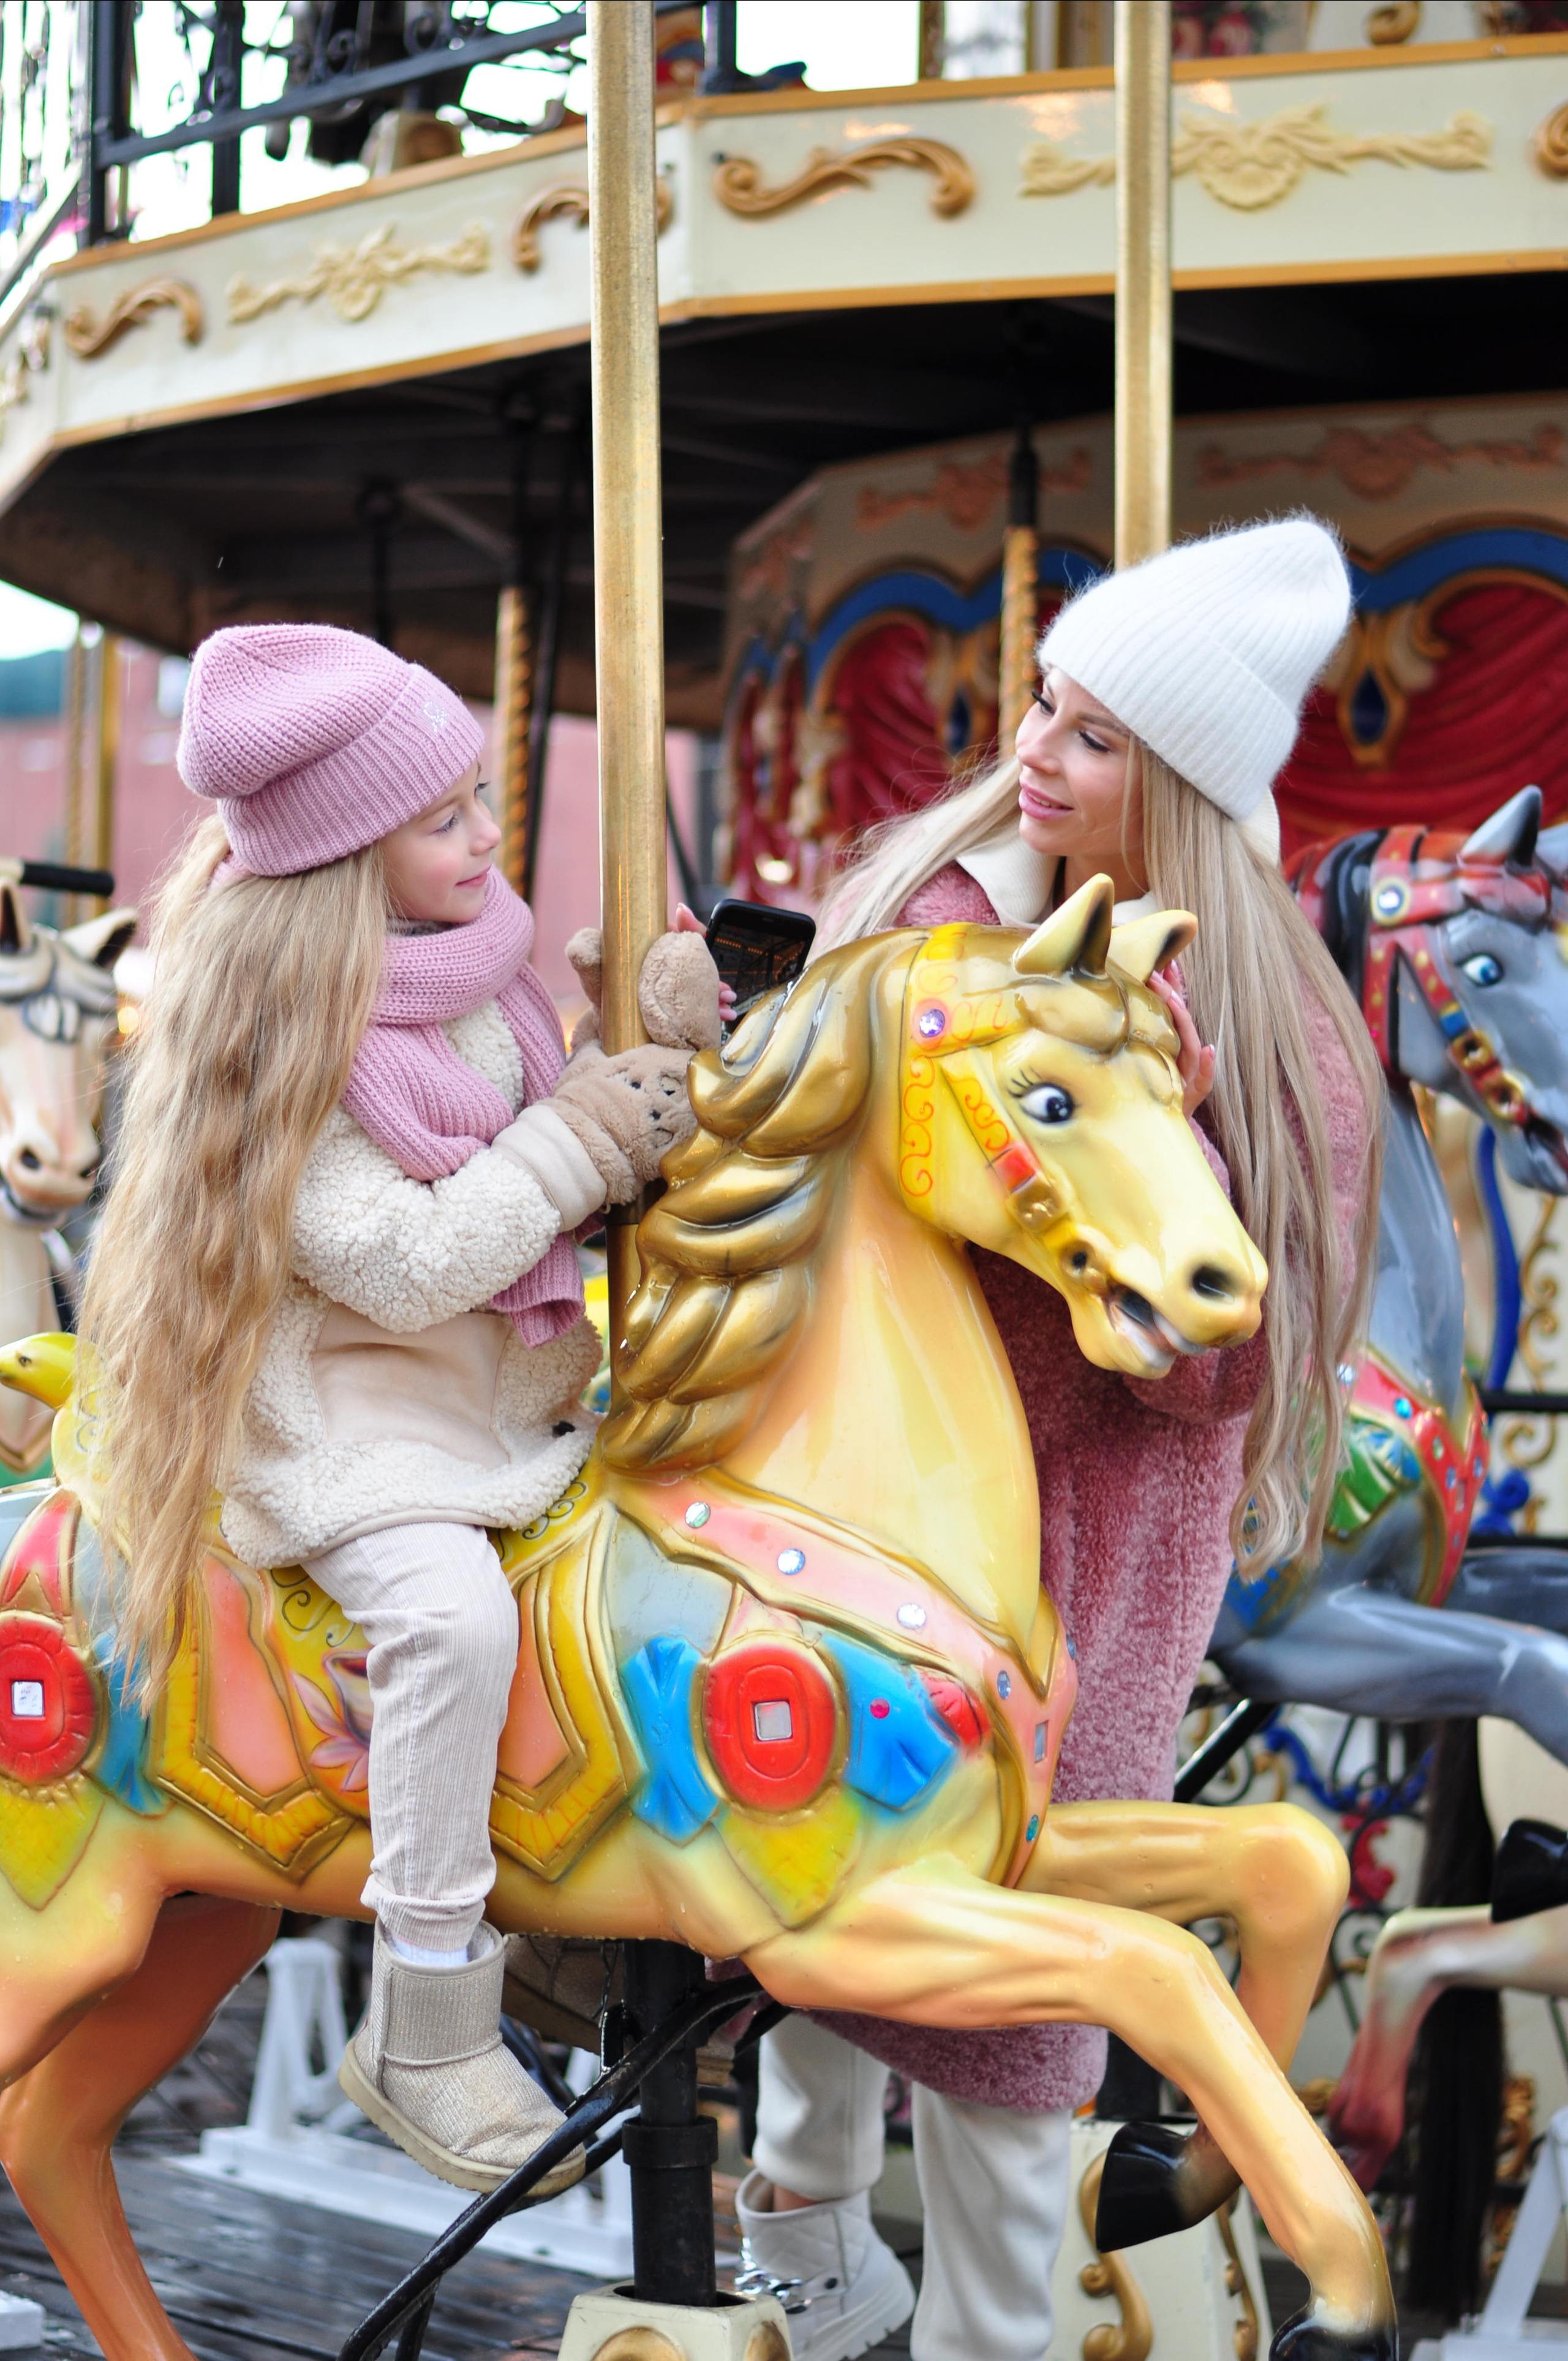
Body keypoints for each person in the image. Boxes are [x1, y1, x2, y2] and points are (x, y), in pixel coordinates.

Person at [736, 517, 1385, 2361]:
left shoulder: (1271, 1021)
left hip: (1089, 1523)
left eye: (1094, 734)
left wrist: (1136, 1231)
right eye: (1044, 701)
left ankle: (995, 2321)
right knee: (813, 1852)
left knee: (1015, 1954)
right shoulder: (930, 895)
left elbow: (1231, 1339)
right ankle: (799, 2233)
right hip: (865, 1492)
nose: (1038, 747)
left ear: (1172, 782)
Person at [78, 624, 720, 2197]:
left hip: (502, 1412)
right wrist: (579, 1133)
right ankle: (426, 2015)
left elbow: (551, 1126)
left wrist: (648, 1036)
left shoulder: (476, 966)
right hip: (349, 1431)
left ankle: (575, 1934)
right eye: (439, 819)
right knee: (451, 1624)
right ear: (347, 862)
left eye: (476, 797)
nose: (483, 835)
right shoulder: (277, 1041)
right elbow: (411, 1255)